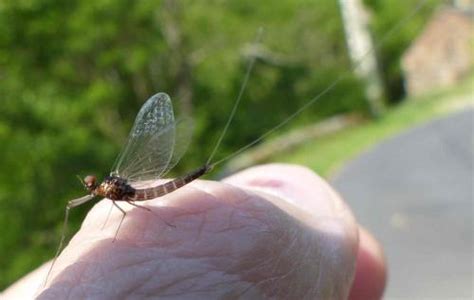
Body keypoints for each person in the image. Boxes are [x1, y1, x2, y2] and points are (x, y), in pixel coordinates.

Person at [2, 164, 386, 300]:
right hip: (141, 197)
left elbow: (133, 206)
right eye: (90, 188)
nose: (91, 189)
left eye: (92, 186)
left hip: (148, 195)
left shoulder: (114, 192)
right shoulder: (104, 193)